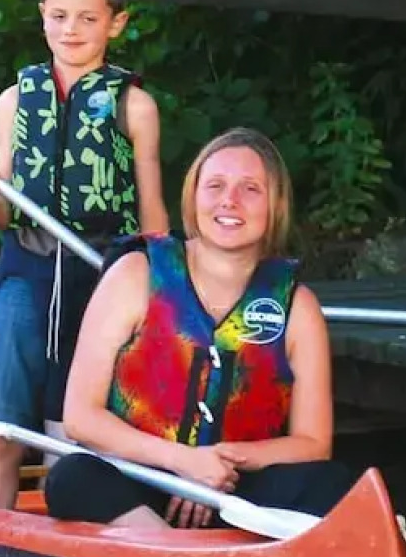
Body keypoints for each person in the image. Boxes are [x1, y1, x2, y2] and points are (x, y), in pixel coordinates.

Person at [44, 127, 360, 529]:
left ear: (275, 206)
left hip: (234, 489)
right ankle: (166, 550)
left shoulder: (297, 306)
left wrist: (220, 465)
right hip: (141, 480)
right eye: (215, 185)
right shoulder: (136, 273)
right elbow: (80, 417)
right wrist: (184, 462)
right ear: (193, 197)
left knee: (333, 484)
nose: (230, 200)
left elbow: (313, 444)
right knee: (72, 477)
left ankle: (198, 551)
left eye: (250, 189)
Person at [0, 0, 170, 509]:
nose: (70, 30)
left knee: (72, 436)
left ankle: (63, 543)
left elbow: (153, 216)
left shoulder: (134, 106)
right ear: (42, 14)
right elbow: (2, 214)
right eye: (58, 15)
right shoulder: (14, 101)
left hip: (100, 278)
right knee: (2, 429)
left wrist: (163, 294)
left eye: (87, 18)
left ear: (116, 23)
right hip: (25, 272)